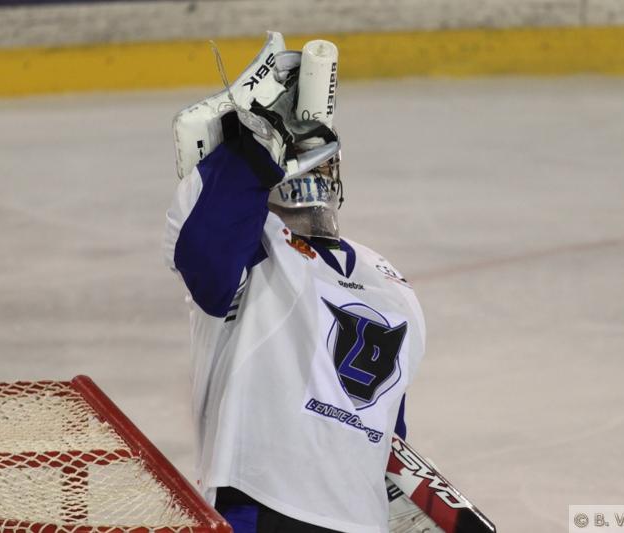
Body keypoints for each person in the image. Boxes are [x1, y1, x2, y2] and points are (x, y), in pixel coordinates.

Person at [163, 34, 426, 533]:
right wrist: (253, 151)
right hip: (296, 512)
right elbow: (209, 264)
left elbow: (385, 437)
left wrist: (250, 150)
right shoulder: (261, 249)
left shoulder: (383, 280)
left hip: (308, 514)